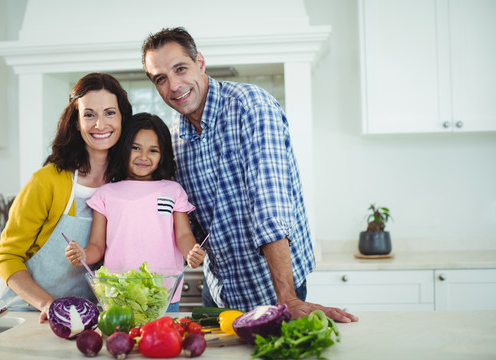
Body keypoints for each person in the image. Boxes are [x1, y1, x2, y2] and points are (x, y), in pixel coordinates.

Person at [141, 27, 358, 322]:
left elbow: (270, 207)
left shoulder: (251, 107)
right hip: (220, 291)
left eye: (180, 69)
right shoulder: (176, 138)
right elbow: (185, 220)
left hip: (276, 288)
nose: (174, 85)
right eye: (161, 79)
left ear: (200, 63)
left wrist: (288, 298)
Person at [0, 72, 133, 323]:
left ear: (122, 118)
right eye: (89, 114)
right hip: (23, 312)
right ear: (76, 122)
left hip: (79, 316)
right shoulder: (48, 180)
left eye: (110, 113)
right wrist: (49, 305)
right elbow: (7, 257)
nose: (100, 124)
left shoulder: (123, 185)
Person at [64, 112, 206, 312]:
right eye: (136, 148)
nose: (144, 157)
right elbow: (97, 245)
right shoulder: (106, 194)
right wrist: (83, 255)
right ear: (124, 148)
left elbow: (183, 234)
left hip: (163, 294)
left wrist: (192, 252)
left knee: (161, 343)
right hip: (117, 294)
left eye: (153, 150)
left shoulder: (173, 190)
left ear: (163, 154)